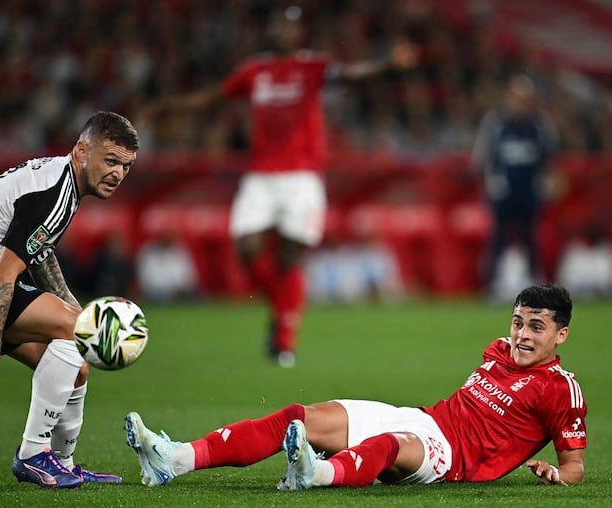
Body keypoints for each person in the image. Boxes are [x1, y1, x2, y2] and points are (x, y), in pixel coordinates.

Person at [146, 5, 417, 367]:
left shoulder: (311, 66)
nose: (282, 32)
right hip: (261, 176)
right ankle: (282, 308)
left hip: (302, 176)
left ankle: (284, 338)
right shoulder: (255, 70)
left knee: (290, 257)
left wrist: (387, 65)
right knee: (246, 250)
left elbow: (351, 74)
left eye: (289, 27)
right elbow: (214, 95)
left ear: (299, 33)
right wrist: (170, 105)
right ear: (271, 31)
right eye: (278, 26)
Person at [124, 284, 586, 489]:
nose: (522, 335)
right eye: (518, 322)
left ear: (560, 334)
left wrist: (556, 474)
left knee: (388, 445)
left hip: (453, 460)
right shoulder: (499, 349)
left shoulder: (561, 389)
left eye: (536, 328)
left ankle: (317, 474)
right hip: (425, 419)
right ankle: (174, 459)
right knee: (297, 417)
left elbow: (574, 467)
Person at [0, 111, 139, 489]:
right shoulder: (53, 193)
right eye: (110, 161)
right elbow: (1, 275)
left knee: (77, 368)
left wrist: (74, 308)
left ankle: (62, 461)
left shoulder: (63, 183)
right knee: (76, 330)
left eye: (126, 166)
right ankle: (32, 455)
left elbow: (39, 254)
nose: (118, 174)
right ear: (81, 151)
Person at [472, 74, 558, 299]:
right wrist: (487, 183)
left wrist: (546, 185)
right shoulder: (496, 124)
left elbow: (550, 159)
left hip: (530, 192)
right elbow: (481, 157)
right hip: (503, 192)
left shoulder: (540, 125)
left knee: (531, 239)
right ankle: (491, 286)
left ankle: (536, 290)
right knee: (498, 239)